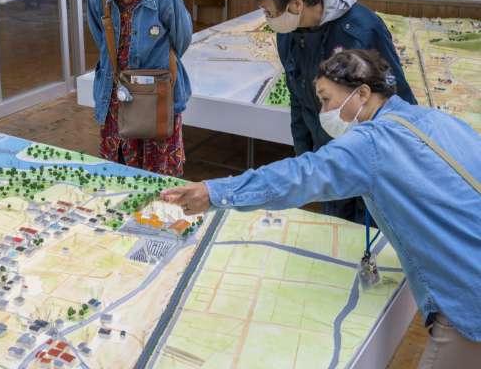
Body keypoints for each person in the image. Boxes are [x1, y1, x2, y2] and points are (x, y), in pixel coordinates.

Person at [161, 49, 481, 369]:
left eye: (327, 100)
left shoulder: (371, 143)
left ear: (363, 94)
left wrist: (215, 192)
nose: (324, 111)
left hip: (468, 298)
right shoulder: (434, 118)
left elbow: (300, 176)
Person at [255, 0, 417, 223]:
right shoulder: (288, 33)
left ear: (296, 3)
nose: (269, 20)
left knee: (373, 228)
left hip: (371, 153)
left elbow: (396, 97)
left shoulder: (361, 30)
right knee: (337, 226)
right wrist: (305, 154)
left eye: (271, 12)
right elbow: (299, 99)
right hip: (328, 152)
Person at [86, 0, 193, 177]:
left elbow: (182, 38)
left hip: (155, 93)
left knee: (159, 172)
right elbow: (101, 37)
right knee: (119, 172)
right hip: (116, 93)